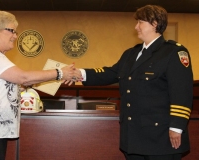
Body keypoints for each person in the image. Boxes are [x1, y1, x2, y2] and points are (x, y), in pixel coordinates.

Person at [70, 5, 193, 160]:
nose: (136, 27)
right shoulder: (131, 54)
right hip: (134, 137)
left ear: (154, 23)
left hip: (161, 138)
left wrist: (177, 127)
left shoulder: (173, 52)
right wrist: (78, 73)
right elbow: (110, 73)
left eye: (140, 22)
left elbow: (182, 92)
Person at [0, 11, 79, 160]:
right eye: (11, 30)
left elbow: (18, 82)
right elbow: (23, 77)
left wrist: (53, 78)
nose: (15, 36)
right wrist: (60, 73)